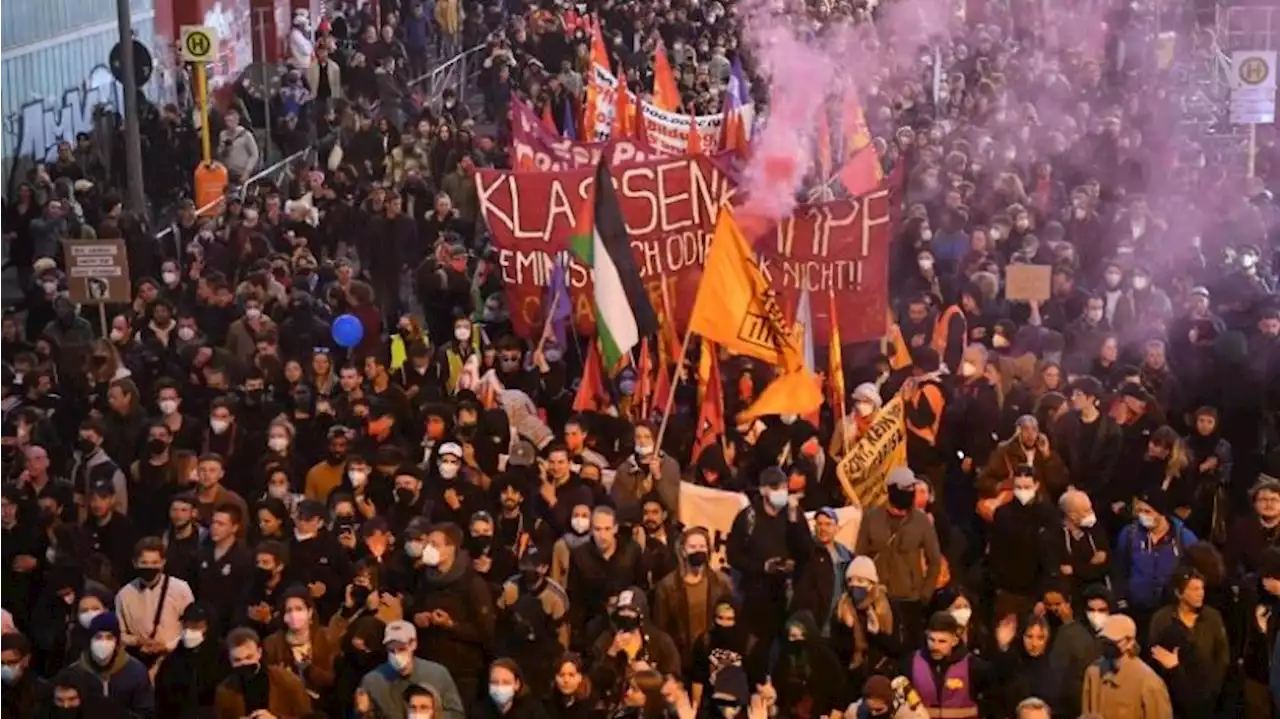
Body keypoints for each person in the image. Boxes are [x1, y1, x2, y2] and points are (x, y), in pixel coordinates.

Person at [856, 468, 942, 645]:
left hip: (910, 599)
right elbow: (860, 557)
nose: (910, 493)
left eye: (912, 489)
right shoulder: (871, 517)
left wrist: (925, 594)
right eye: (905, 489)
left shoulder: (921, 520)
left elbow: (934, 560)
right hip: (878, 597)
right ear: (891, 490)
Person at [114, 536, 195, 667]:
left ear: (163, 562)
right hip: (139, 660)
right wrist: (138, 641)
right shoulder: (123, 595)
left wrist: (167, 646)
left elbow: (191, 626)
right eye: (144, 563)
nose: (150, 567)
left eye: (154, 562)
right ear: (135, 563)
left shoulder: (181, 589)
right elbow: (120, 633)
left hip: (174, 658)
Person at [359, 619, 465, 719]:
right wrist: (363, 713)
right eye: (391, 650)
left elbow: (457, 714)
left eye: (401, 649)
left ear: (413, 644)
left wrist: (433, 716)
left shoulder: (438, 674)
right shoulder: (372, 681)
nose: (396, 655)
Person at [1081, 615, 1173, 718]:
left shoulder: (1149, 683)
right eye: (1104, 640)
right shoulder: (1093, 672)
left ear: (1130, 642)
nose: (1108, 645)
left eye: (1113, 641)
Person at [65, 612, 154, 718]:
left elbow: (145, 714)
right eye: (98, 637)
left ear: (117, 642)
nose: (103, 642)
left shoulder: (136, 672)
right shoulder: (74, 673)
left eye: (109, 637)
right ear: (90, 641)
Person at [214, 627, 311, 718]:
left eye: (249, 657)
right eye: (237, 660)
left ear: (259, 653)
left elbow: (308, 716)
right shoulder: (224, 692)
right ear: (230, 661)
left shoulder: (287, 681)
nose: (244, 663)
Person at [476, 657, 549, 719]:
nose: (499, 687)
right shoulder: (479, 712)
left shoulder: (534, 711)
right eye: (494, 682)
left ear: (517, 684)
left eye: (506, 682)